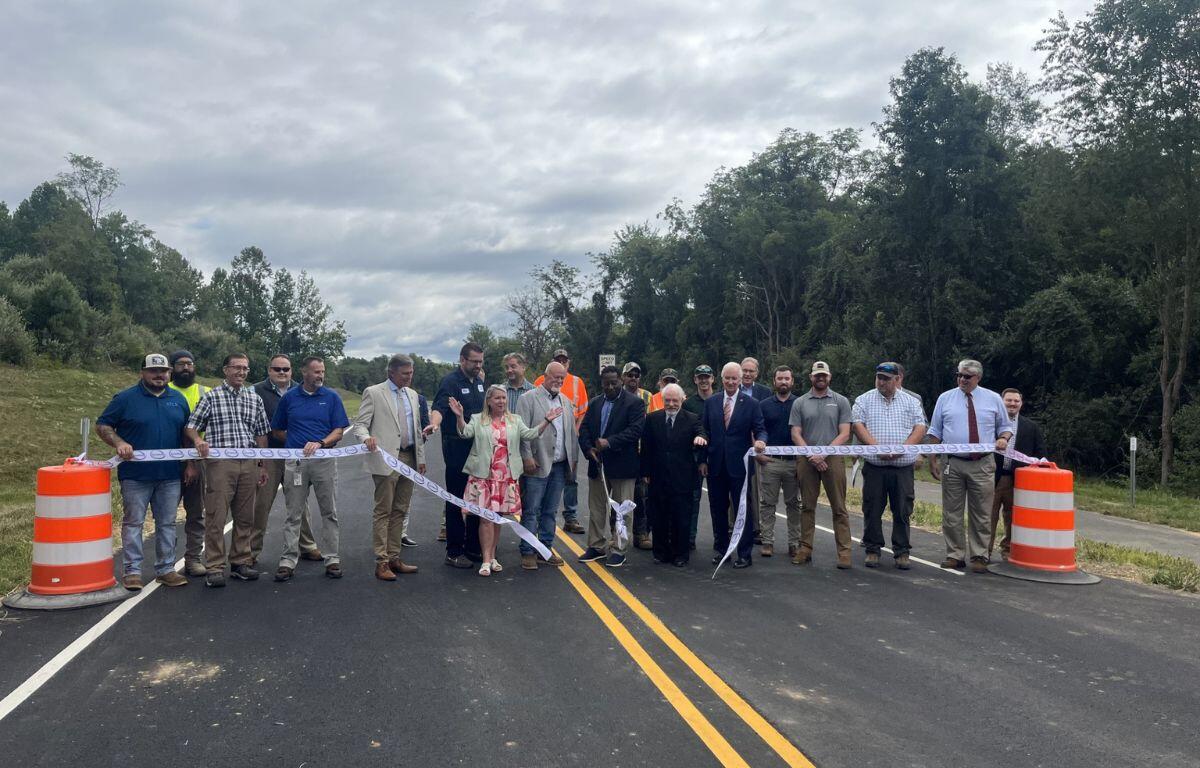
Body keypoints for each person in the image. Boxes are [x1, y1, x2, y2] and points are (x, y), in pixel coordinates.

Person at [96, 353, 192, 590]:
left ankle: (166, 569)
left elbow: (187, 434)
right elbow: (103, 425)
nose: (159, 375)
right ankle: (132, 571)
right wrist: (118, 443)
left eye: (164, 371)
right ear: (143, 372)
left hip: (169, 475)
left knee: (167, 523)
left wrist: (190, 463)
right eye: (153, 371)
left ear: (169, 373)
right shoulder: (126, 398)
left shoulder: (178, 399)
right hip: (135, 475)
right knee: (133, 522)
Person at [449, 385, 560, 576]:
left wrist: (546, 421)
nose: (502, 401)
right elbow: (465, 433)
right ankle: (485, 561)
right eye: (497, 398)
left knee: (498, 520)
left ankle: (492, 557)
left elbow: (531, 434)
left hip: (505, 477)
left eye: (504, 398)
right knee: (485, 519)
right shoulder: (478, 418)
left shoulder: (514, 420)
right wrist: (459, 417)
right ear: (489, 401)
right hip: (483, 477)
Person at [184, 353, 270, 588]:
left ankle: (241, 562)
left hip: (248, 461)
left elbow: (261, 433)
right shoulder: (211, 397)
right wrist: (197, 441)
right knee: (216, 515)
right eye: (237, 368)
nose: (241, 372)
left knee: (245, 516)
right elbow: (191, 427)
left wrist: (262, 463)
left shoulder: (254, 399)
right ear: (225, 370)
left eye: (245, 369)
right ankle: (214, 566)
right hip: (221, 464)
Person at [927, 359, 1013, 574]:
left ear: (978, 378)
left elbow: (1005, 426)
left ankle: (980, 555)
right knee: (952, 511)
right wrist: (932, 458)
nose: (962, 379)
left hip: (983, 462)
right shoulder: (945, 398)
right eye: (959, 375)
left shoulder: (993, 399)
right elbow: (935, 431)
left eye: (967, 376)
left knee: (982, 512)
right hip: (953, 462)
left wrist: (1003, 438)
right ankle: (955, 554)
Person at [270, 356, 350, 581]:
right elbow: (277, 429)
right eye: (316, 372)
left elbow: (339, 431)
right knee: (293, 513)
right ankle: (287, 560)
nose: (320, 376)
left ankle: (332, 559)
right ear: (304, 372)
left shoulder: (331, 397)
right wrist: (295, 444)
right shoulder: (290, 398)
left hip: (324, 460)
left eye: (322, 371)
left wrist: (322, 443)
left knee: (329, 512)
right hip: (296, 463)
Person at [352, 354, 428, 581]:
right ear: (391, 373)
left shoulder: (413, 395)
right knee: (383, 511)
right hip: (385, 460)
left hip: (409, 458)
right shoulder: (374, 393)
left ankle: (395, 557)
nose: (409, 377)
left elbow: (415, 428)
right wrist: (366, 439)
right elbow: (360, 425)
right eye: (405, 373)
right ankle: (381, 561)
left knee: (400, 510)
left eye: (411, 373)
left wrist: (420, 458)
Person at [851, 362, 928, 569]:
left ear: (897, 379)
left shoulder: (911, 401)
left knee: (902, 509)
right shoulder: (864, 399)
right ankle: (872, 549)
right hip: (875, 466)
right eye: (879, 378)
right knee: (872, 507)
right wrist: (876, 448)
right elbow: (858, 425)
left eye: (886, 379)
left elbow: (920, 427)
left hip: (902, 467)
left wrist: (904, 448)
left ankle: (902, 551)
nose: (881, 382)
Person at [252, 354, 321, 567]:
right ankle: (251, 551)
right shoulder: (255, 391)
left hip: (296, 456)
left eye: (286, 369)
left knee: (300, 504)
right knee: (261, 505)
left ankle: (307, 546)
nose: (282, 373)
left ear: (292, 371)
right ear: (269, 370)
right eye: (277, 369)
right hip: (269, 456)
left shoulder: (301, 390)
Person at [577, 365, 646, 567]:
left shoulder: (634, 403)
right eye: (606, 383)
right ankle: (596, 546)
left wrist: (610, 442)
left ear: (621, 381)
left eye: (613, 382)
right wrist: (589, 449)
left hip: (623, 465)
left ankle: (619, 548)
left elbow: (635, 431)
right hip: (598, 464)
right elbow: (585, 429)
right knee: (597, 507)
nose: (609, 387)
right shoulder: (596, 403)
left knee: (623, 509)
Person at [702, 362, 767, 568]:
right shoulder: (711, 403)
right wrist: (702, 460)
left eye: (734, 378)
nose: (730, 382)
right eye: (727, 378)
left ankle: (744, 553)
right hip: (716, 466)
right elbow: (704, 433)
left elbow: (761, 429)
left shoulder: (751, 403)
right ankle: (721, 550)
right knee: (718, 509)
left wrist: (761, 440)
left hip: (741, 466)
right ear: (721, 379)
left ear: (740, 380)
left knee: (743, 510)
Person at [790, 361, 853, 568]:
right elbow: (795, 433)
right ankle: (805, 548)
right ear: (811, 377)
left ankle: (844, 552)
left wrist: (823, 454)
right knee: (807, 506)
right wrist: (811, 455)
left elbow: (844, 433)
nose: (820, 378)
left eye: (823, 375)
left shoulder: (841, 401)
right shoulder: (800, 402)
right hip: (807, 459)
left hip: (832, 457)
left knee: (839, 507)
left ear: (829, 377)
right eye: (817, 375)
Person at [516, 361, 578, 570]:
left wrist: (573, 462)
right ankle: (527, 551)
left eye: (562, 378)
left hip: (560, 466)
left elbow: (571, 435)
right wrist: (526, 457)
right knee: (531, 510)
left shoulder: (566, 402)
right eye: (555, 377)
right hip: (537, 463)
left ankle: (544, 549)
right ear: (545, 376)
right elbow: (521, 432)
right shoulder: (528, 399)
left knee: (550, 511)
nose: (558, 381)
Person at [432, 342, 487, 568]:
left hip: (477, 448)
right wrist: (434, 424)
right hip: (456, 448)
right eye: (474, 361)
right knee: (456, 498)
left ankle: (473, 546)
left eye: (480, 362)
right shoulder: (450, 382)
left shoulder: (480, 383)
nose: (478, 365)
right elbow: (439, 409)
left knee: (475, 496)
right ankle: (454, 551)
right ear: (462, 360)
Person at [640, 383, 706, 566]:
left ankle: (680, 554)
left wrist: (700, 438)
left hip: (682, 477)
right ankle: (660, 553)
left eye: (674, 400)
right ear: (662, 400)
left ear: (682, 400)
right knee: (659, 516)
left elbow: (701, 432)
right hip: (658, 476)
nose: (671, 404)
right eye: (667, 400)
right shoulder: (652, 419)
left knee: (681, 518)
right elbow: (646, 447)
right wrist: (645, 471)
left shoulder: (692, 419)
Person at [534, 348, 588, 534]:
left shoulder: (576, 382)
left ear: (569, 363)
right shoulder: (540, 382)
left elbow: (582, 410)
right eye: (558, 360)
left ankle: (571, 517)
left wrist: (575, 432)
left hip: (568, 439)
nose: (562, 363)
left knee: (570, 479)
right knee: (544, 479)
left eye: (564, 360)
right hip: (546, 439)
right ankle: (540, 517)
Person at [989, 388, 1046, 560]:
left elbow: (1040, 454)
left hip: (1018, 480)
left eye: (1016, 401)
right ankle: (984, 552)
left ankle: (1008, 551)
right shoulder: (990, 424)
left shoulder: (1031, 427)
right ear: (1001, 401)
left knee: (1013, 518)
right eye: (1009, 400)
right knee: (988, 516)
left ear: (1021, 403)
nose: (1012, 404)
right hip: (991, 477)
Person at [168, 349, 209, 577]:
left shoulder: (205, 392)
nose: (186, 368)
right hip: (168, 461)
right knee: (166, 516)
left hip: (198, 459)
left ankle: (193, 559)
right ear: (172, 368)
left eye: (190, 364)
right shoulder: (164, 390)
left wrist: (193, 461)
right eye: (181, 364)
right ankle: (165, 563)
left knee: (196, 513)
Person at [757, 366, 799, 558]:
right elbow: (756, 429)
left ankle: (794, 542)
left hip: (794, 462)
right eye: (780, 378)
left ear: (792, 381)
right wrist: (759, 454)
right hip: (770, 462)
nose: (783, 382)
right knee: (767, 503)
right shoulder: (764, 405)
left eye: (787, 379)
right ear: (774, 382)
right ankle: (767, 541)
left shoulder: (800, 403)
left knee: (794, 504)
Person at [682, 364, 715, 550]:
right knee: (693, 499)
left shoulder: (720, 400)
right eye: (700, 377)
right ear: (695, 379)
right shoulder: (688, 404)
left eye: (707, 377)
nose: (703, 380)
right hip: (694, 458)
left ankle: (722, 538)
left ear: (713, 379)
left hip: (716, 456)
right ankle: (690, 537)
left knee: (719, 501)